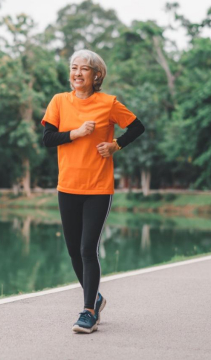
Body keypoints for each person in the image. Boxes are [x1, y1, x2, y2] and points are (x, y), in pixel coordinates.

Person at [41, 49, 145, 334]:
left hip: (98, 187)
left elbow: (137, 126)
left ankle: (88, 312)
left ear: (96, 75)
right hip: (68, 186)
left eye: (84, 69)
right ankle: (95, 297)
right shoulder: (59, 101)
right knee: (74, 250)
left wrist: (116, 145)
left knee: (88, 249)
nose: (77, 73)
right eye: (73, 68)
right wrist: (76, 133)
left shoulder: (108, 103)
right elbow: (48, 138)